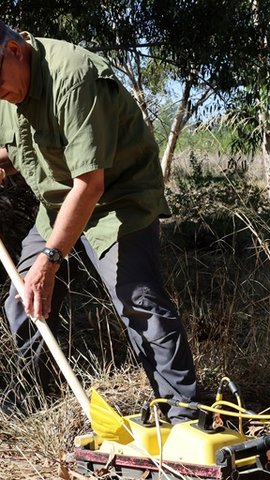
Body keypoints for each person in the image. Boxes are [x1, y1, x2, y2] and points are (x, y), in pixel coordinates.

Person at [0, 21, 197, 423]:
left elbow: (90, 185)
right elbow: (16, 143)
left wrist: (50, 260)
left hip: (117, 198)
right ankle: (34, 405)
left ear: (15, 51)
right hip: (59, 201)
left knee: (139, 303)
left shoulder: (72, 77)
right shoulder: (8, 85)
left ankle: (185, 419)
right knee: (23, 302)